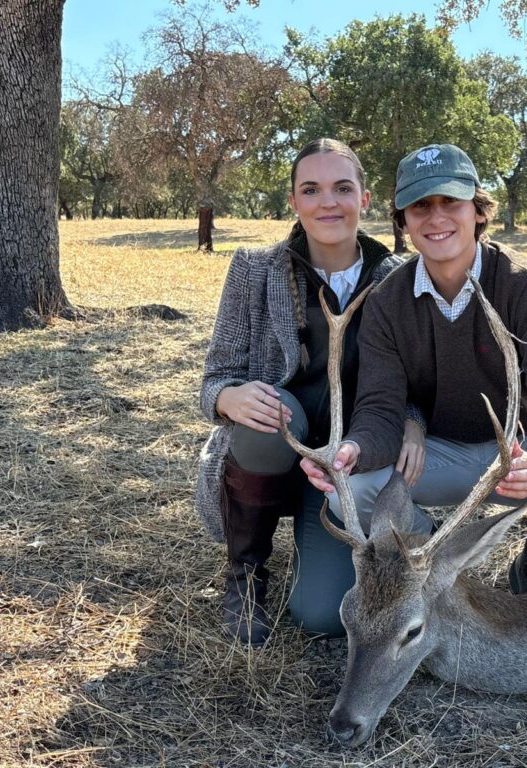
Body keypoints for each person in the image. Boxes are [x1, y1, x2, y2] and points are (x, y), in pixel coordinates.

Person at [302, 143, 527, 595]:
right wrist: (352, 449)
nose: (437, 217)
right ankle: (429, 559)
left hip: (515, 453)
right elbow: (379, 410)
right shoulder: (387, 301)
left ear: (478, 211)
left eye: (451, 202)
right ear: (403, 221)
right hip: (435, 454)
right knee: (354, 486)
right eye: (420, 205)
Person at [196, 138, 430, 645]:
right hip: (278, 444)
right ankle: (246, 573)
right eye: (312, 189)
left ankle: (371, 534)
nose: (329, 202)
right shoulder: (254, 269)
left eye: (343, 188)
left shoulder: (399, 278)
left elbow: (411, 380)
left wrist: (414, 421)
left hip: (346, 466)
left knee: (322, 617)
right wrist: (226, 398)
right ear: (294, 202)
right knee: (269, 416)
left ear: (365, 200)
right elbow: (215, 377)